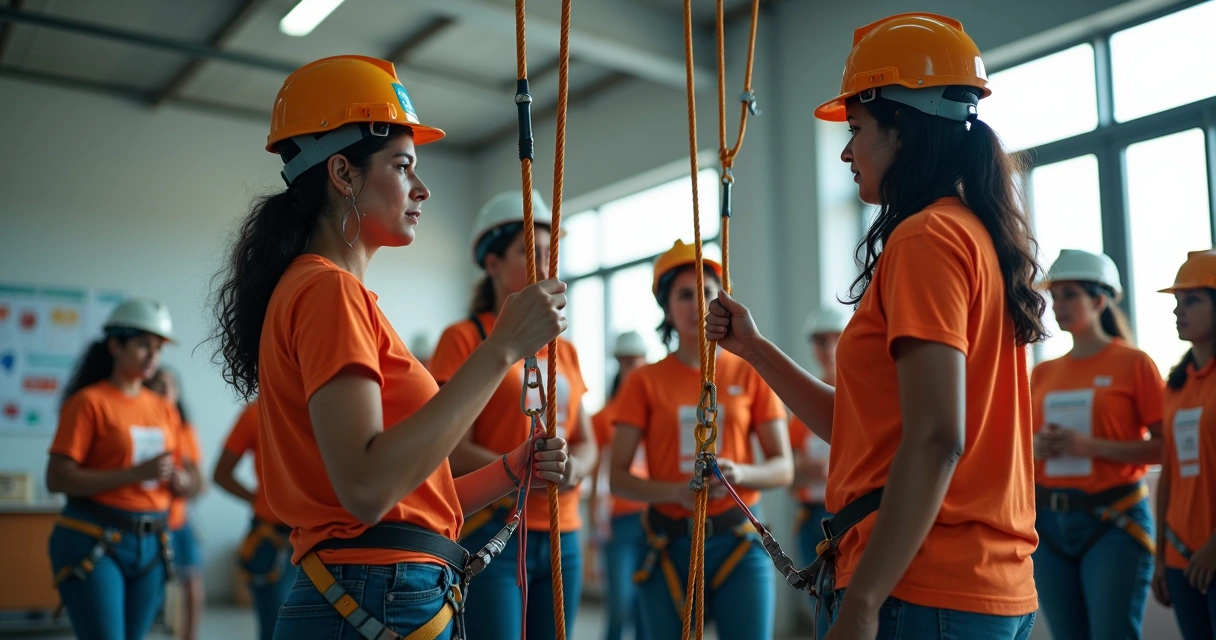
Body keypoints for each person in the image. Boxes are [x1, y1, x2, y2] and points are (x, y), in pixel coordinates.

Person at [706, 13, 1046, 639]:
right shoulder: (970, 234)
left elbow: (938, 436)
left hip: (922, 586)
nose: (845, 150)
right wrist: (753, 348)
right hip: (971, 587)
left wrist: (863, 601)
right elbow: (860, 429)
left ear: (902, 129)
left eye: (857, 129)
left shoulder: (926, 238)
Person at [208, 55, 571, 639]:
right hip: (376, 594)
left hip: (375, 589)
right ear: (343, 174)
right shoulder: (327, 291)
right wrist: (501, 348)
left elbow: (408, 493)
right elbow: (369, 488)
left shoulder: (327, 291)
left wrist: (511, 469)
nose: (422, 188)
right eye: (403, 166)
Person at [430, 190, 597, 640]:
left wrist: (572, 469)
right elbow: (444, 445)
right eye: (529, 252)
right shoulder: (465, 340)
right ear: (492, 264)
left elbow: (585, 438)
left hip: (564, 531)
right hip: (492, 528)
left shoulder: (567, 351)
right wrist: (519, 471)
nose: (545, 264)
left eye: (550, 252)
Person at [610, 240, 792, 639]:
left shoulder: (748, 374)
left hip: (739, 542)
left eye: (706, 292)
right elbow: (618, 479)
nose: (697, 304)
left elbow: (783, 467)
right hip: (668, 543)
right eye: (684, 295)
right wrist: (674, 494)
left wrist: (738, 472)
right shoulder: (644, 382)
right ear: (666, 307)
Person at [1029, 249, 1163, 639]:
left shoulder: (1134, 364)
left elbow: (1165, 447)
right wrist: (1034, 448)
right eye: (1055, 296)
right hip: (1048, 525)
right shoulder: (1043, 373)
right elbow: (1023, 446)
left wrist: (1092, 447)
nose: (1058, 305)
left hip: (1114, 519)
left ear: (1099, 299)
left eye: (1069, 294)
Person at [47, 298, 189, 640]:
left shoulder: (164, 409)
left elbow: (186, 475)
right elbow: (57, 478)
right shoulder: (88, 403)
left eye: (158, 348)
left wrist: (181, 481)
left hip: (153, 543)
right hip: (95, 538)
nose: (153, 356)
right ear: (115, 345)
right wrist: (134, 474)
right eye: (143, 345)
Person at [1152, 249, 1216, 640]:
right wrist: (1160, 557)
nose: (1179, 311)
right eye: (1177, 302)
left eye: (1191, 300)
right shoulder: (1175, 385)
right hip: (1178, 559)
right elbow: (1170, 476)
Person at [212, 400, 297, 640]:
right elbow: (221, 473)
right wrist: (263, 501)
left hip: (323, 539)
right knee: (275, 628)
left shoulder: (329, 405)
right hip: (274, 540)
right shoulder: (257, 412)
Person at [589, 331, 650, 640]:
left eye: (636, 361)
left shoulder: (657, 411)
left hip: (653, 516)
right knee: (620, 602)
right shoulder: (603, 417)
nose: (632, 367)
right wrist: (594, 521)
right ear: (618, 364)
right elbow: (597, 473)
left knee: (647, 605)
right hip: (619, 520)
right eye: (626, 362)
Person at [146, 367, 206, 640]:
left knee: (192, 579)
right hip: (146, 520)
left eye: (170, 384)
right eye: (158, 384)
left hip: (178, 518)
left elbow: (199, 481)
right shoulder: (141, 425)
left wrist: (185, 482)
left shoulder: (184, 429)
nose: (164, 389)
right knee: (149, 586)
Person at [788, 308, 846, 569]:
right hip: (813, 517)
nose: (830, 348)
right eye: (821, 341)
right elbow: (790, 482)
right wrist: (805, 471)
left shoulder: (865, 398)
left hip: (852, 514)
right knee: (819, 600)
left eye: (837, 339)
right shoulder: (804, 406)